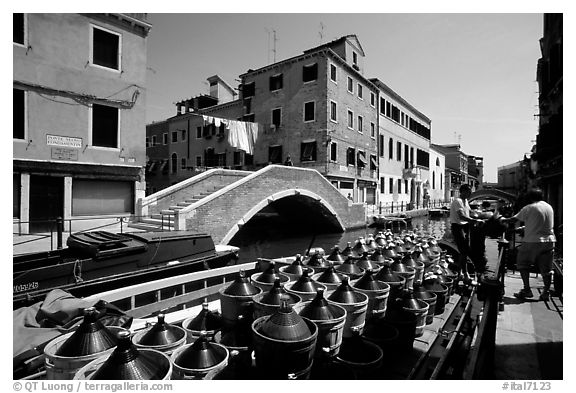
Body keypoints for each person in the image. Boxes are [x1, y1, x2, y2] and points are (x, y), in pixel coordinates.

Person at [500, 188, 555, 301]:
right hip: (549, 240)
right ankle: (546, 292)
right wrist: (525, 228)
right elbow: (540, 223)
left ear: (530, 198)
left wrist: (502, 219)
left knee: (523, 264)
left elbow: (513, 220)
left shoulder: (529, 208)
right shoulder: (549, 207)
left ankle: (527, 290)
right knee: (546, 269)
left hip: (532, 241)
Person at [449, 184, 484, 283]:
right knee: (464, 251)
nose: (470, 193)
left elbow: (469, 212)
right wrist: (474, 221)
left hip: (465, 227)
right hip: (458, 227)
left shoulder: (465, 201)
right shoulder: (458, 201)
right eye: (468, 191)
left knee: (464, 251)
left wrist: (479, 215)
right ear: (463, 191)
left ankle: (460, 273)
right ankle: (465, 274)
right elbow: (462, 216)